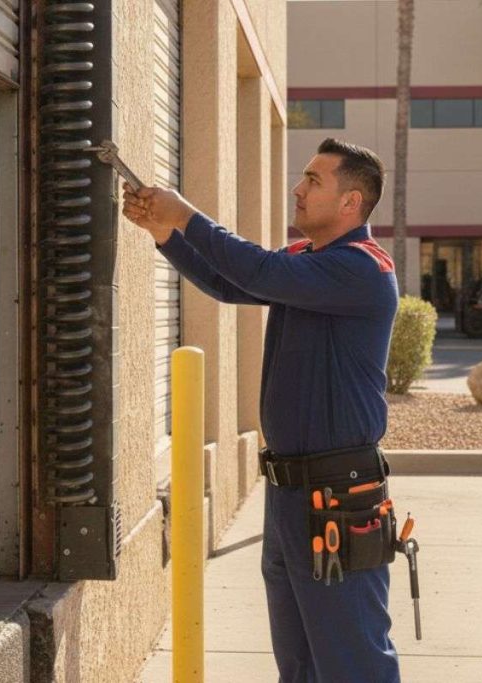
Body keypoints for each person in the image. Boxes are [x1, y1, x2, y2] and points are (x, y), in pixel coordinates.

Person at [122, 137, 400, 682]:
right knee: (297, 655)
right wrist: (164, 234)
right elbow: (232, 283)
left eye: (313, 181)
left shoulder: (362, 269)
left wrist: (187, 215)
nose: (298, 189)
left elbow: (259, 273)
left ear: (351, 202)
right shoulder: (309, 262)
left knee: (352, 656)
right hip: (292, 490)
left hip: (339, 493)